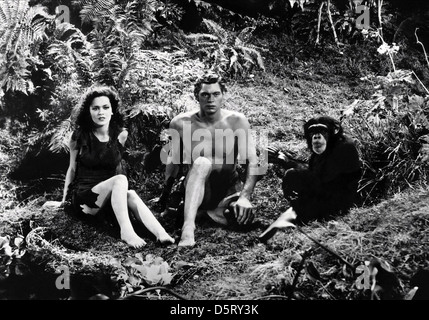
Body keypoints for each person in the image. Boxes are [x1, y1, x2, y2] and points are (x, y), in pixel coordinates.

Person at [60, 85, 175, 248]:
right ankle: (126, 231)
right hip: (85, 199)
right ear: (89, 111)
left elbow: (116, 165)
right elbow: (72, 169)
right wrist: (63, 201)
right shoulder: (79, 136)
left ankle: (161, 233)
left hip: (108, 197)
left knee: (132, 194)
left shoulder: (121, 134)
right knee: (120, 180)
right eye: (96, 108)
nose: (101, 112)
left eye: (105, 107)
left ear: (112, 110)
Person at [156, 71, 262, 247]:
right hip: (197, 183)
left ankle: (205, 212)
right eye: (205, 95)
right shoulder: (180, 123)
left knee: (242, 218)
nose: (210, 99)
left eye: (215, 94)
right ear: (196, 96)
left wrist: (245, 197)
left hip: (227, 188)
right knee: (202, 162)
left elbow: (253, 160)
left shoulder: (237, 121)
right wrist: (166, 195)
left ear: (223, 96)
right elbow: (173, 161)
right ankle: (188, 229)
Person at [259, 115, 362, 242]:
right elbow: (314, 173)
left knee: (292, 175)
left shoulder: (344, 147)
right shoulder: (322, 152)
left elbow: (322, 179)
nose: (316, 136)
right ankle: (290, 219)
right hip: (323, 197)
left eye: (322, 131)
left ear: (331, 132)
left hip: (338, 203)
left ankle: (299, 216)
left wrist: (289, 164)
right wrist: (287, 160)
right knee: (293, 177)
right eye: (313, 132)